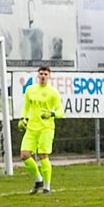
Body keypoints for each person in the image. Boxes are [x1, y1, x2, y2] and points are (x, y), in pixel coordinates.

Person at [18, 66, 63, 195]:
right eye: (41, 74)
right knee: (24, 155)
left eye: (45, 74)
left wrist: (52, 114)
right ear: (37, 76)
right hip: (32, 128)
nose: (43, 76)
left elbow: (61, 111)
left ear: (49, 76)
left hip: (46, 128)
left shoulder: (53, 92)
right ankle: (39, 180)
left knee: (43, 155)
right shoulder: (30, 90)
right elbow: (26, 107)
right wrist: (23, 118)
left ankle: (47, 187)